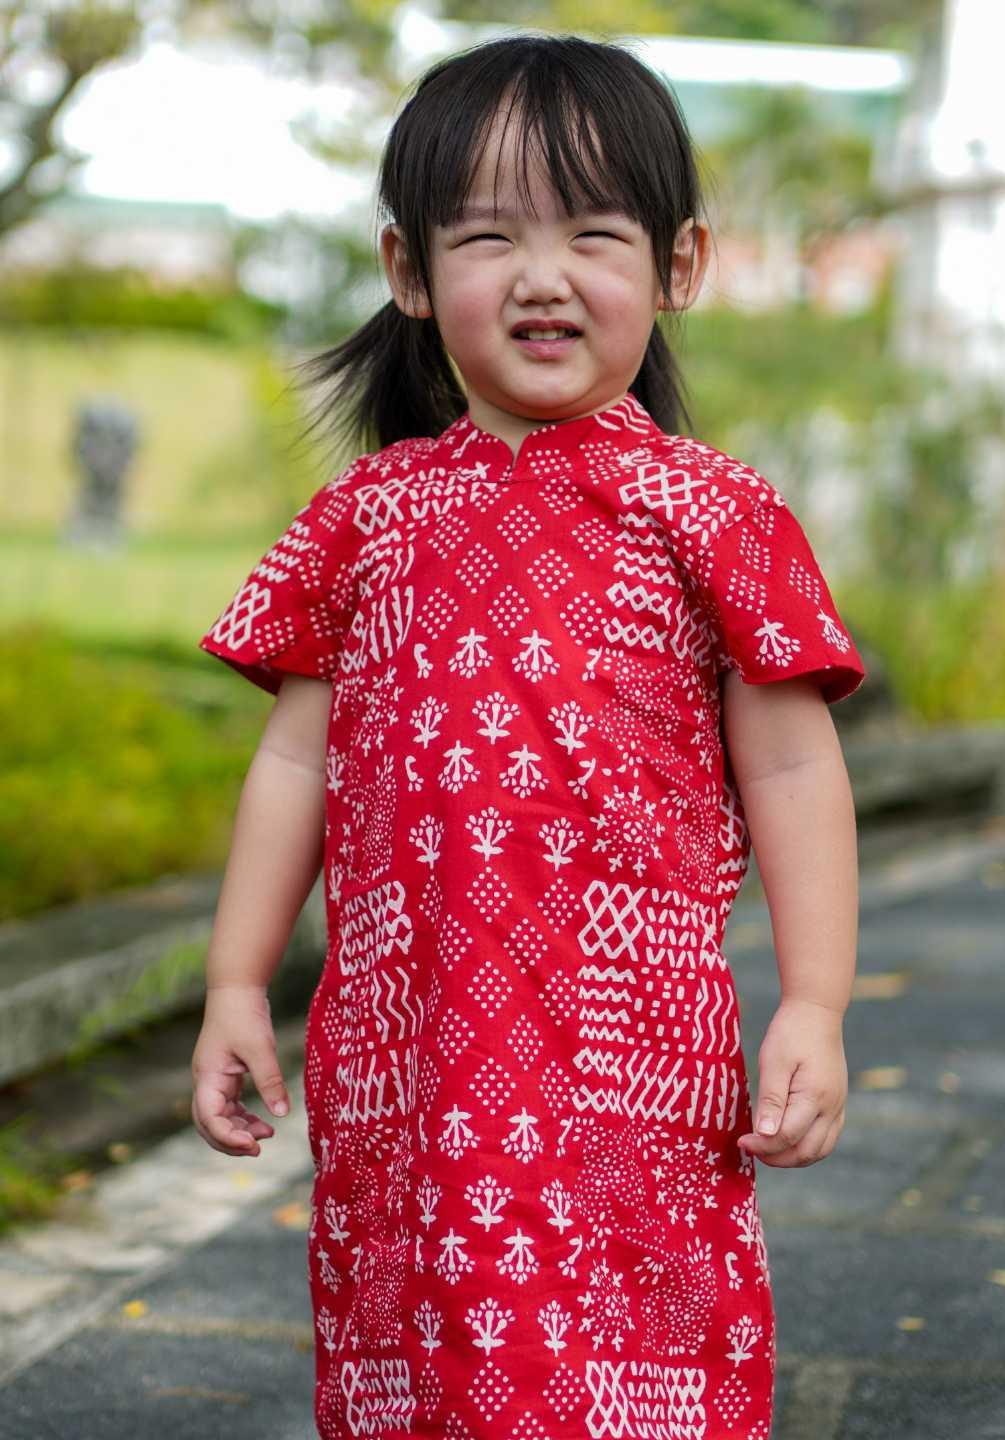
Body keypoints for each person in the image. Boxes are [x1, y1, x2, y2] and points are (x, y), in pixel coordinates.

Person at [191, 31, 865, 1440]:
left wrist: (814, 1001)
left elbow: (797, 765)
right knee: (416, 1357)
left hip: (626, 1058)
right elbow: (293, 761)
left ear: (679, 268)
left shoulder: (717, 516)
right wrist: (238, 982)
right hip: (412, 1053)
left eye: (593, 235)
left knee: (631, 1366)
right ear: (410, 274)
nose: (543, 275)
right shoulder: (361, 523)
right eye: (489, 235)